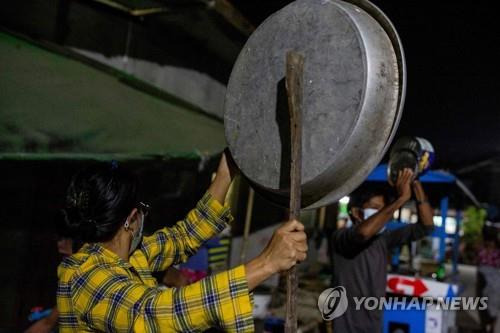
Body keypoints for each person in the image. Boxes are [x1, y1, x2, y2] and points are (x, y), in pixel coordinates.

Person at [57, 152, 308, 332]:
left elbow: (185, 235)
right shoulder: (83, 277)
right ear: (132, 218)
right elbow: (155, 312)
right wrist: (265, 263)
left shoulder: (132, 255)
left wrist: (225, 173)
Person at [330, 169, 434, 332]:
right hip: (346, 326)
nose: (382, 215)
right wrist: (400, 200)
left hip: (373, 324)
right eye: (375, 208)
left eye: (383, 209)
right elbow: (363, 233)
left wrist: (415, 183)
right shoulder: (341, 238)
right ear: (357, 213)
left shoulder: (383, 239)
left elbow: (426, 226)